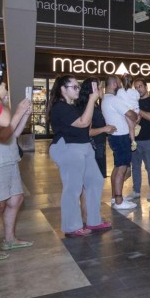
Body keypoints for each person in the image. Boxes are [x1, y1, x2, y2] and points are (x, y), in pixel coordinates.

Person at [49, 75, 113, 235]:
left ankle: (93, 221)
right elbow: (83, 123)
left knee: (95, 181)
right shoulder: (60, 107)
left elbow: (87, 124)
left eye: (78, 86)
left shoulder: (73, 106)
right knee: (73, 187)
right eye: (74, 87)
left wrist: (91, 100)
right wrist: (92, 99)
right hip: (68, 147)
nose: (78, 89)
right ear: (63, 89)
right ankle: (72, 227)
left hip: (83, 146)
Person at [0, 77, 33, 260]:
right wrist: (18, 112)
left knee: (16, 200)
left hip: (10, 159)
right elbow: (2, 134)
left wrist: (24, 115)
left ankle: (9, 239)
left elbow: (13, 133)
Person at [102, 75, 139, 210]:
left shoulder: (105, 99)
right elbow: (132, 115)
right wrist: (136, 114)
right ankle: (119, 201)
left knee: (118, 167)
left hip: (115, 136)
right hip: (121, 137)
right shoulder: (114, 100)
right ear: (113, 85)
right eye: (118, 84)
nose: (120, 86)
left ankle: (114, 197)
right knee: (122, 168)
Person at [125, 79, 150, 201]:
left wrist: (137, 110)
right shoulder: (134, 101)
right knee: (135, 166)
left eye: (140, 86)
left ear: (146, 87)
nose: (138, 89)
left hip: (149, 140)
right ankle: (136, 191)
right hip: (135, 140)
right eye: (136, 87)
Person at [77, 78, 116, 179]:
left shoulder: (95, 104)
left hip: (99, 145)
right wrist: (104, 129)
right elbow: (87, 132)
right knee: (94, 178)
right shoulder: (88, 106)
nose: (101, 89)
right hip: (93, 147)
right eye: (99, 87)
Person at [116, 74, 141, 151]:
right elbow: (138, 98)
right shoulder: (135, 91)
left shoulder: (120, 91)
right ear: (132, 82)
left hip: (127, 111)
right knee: (132, 126)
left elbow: (117, 100)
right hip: (136, 110)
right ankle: (132, 137)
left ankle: (133, 141)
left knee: (130, 126)